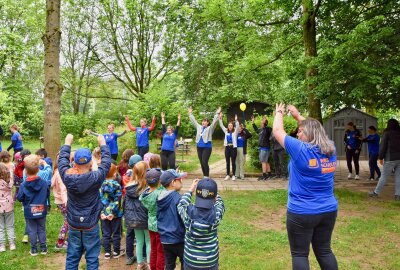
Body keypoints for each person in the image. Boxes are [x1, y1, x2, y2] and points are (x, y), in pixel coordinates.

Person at [273, 103, 338, 270]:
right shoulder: (331, 149)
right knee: (324, 251)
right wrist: (297, 117)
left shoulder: (301, 150)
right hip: (328, 210)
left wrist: (279, 112)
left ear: (309, 134)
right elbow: (318, 130)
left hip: (302, 212)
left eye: (301, 131)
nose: (298, 133)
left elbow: (278, 132)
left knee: (300, 254)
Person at [58, 134, 112, 270]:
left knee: (72, 257)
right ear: (91, 163)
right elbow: (106, 162)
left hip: (74, 224)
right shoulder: (96, 177)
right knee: (92, 258)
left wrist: (67, 143)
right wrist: (103, 144)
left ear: (74, 163)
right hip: (91, 225)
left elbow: (62, 162)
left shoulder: (67, 177)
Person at [177, 178, 225, 270]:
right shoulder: (217, 214)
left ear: (196, 194)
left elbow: (181, 204)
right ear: (214, 198)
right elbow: (220, 204)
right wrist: (214, 192)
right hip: (210, 261)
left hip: (191, 260)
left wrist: (191, 189)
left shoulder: (187, 212)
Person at [17, 155, 50, 256]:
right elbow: (47, 194)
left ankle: (34, 249)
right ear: (38, 170)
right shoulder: (44, 183)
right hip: (41, 209)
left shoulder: (23, 185)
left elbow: (19, 197)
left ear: (26, 171)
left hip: (29, 211)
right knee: (41, 228)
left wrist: (25, 201)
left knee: (32, 230)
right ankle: (43, 248)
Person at [157, 169, 186, 270]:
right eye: (179, 179)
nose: (181, 181)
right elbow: (184, 218)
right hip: (178, 238)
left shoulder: (160, 197)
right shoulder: (178, 199)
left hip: (165, 239)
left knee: (169, 264)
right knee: (185, 262)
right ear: (173, 183)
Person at [124, 161, 150, 268]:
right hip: (146, 218)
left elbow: (125, 204)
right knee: (149, 241)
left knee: (139, 241)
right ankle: (149, 263)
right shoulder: (147, 186)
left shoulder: (129, 187)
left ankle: (139, 263)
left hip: (134, 219)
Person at [140, 168, 165, 270]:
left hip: (151, 224)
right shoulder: (160, 193)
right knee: (160, 250)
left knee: (153, 249)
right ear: (160, 181)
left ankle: (153, 267)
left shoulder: (145, 194)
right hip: (159, 225)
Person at [369, 119, 400, 200]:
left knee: (384, 176)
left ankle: (376, 192)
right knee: (398, 177)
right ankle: (398, 195)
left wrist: (380, 157)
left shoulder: (387, 133)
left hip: (390, 158)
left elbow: (383, 146)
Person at [188, 106, 221, 178]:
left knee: (204, 162)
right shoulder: (199, 127)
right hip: (199, 147)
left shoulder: (210, 128)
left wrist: (217, 113)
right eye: (203, 121)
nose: (203, 122)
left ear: (208, 123)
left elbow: (215, 122)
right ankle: (204, 176)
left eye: (205, 121)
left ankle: (207, 176)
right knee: (201, 163)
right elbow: (194, 121)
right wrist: (190, 113)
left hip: (207, 148)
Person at [100, 163, 124, 259]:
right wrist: (113, 213)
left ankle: (107, 252)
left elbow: (100, 199)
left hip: (104, 214)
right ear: (114, 174)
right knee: (116, 233)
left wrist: (102, 212)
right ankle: (116, 251)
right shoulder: (117, 185)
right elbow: (117, 201)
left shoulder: (101, 185)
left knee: (106, 233)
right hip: (115, 214)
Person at [51, 153, 68, 250]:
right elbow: (63, 189)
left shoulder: (56, 171)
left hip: (59, 201)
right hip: (63, 201)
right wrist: (66, 202)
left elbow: (52, 183)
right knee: (68, 221)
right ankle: (60, 242)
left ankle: (67, 241)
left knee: (68, 220)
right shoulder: (61, 174)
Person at [219, 113, 240, 181]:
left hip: (233, 148)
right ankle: (228, 175)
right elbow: (221, 125)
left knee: (233, 162)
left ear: (232, 126)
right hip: (227, 148)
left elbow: (237, 126)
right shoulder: (226, 131)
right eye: (229, 126)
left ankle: (233, 175)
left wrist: (236, 120)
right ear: (228, 126)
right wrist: (220, 118)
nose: (230, 127)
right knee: (227, 162)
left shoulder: (235, 132)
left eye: (231, 126)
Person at [0, 163, 15, 252]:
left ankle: (2, 245)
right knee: (10, 226)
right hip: (9, 206)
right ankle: (12, 243)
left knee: (0, 227)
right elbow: (12, 176)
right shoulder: (9, 182)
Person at [252, 115, 273, 180]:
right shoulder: (261, 130)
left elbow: (271, 129)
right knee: (266, 161)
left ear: (265, 124)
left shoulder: (267, 129)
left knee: (263, 161)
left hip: (265, 148)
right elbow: (256, 130)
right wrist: (253, 123)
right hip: (262, 148)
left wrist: (265, 120)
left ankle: (264, 175)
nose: (261, 123)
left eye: (262, 122)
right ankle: (269, 174)